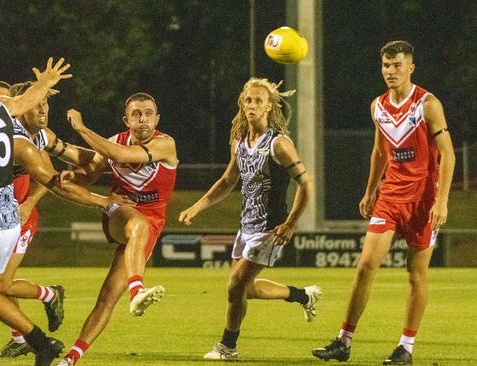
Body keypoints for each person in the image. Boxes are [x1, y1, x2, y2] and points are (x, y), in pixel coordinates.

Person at [0, 52, 129, 366]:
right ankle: (41, 344)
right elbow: (26, 102)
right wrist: (46, 81)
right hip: (10, 223)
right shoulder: (4, 109)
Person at [312, 41, 455, 365]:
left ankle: (406, 347)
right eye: (386, 66)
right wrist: (370, 190)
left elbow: (448, 154)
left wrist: (442, 201)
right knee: (365, 266)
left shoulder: (427, 104)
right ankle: (343, 341)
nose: (390, 71)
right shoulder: (377, 106)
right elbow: (380, 152)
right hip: (390, 197)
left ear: (411, 67)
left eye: (397, 65)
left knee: (415, 274)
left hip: (423, 200)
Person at [178, 77, 320, 361]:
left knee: (235, 286)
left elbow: (307, 184)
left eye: (258, 100)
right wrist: (197, 207)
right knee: (247, 289)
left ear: (269, 107)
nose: (252, 104)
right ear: (241, 105)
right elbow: (227, 180)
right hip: (247, 226)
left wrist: (290, 223)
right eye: (248, 100)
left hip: (271, 228)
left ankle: (227, 347)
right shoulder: (239, 142)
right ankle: (303, 295)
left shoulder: (279, 144)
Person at [54, 92, 178, 365]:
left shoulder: (166, 144)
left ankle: (70, 359)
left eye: (148, 113)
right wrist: (72, 177)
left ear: (157, 118)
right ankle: (138, 292)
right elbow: (91, 172)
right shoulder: (114, 142)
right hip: (119, 213)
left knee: (108, 296)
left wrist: (82, 129)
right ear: (126, 120)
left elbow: (120, 155)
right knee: (137, 223)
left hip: (150, 226)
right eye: (136, 114)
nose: (143, 118)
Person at [0, 82, 65, 358]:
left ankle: (51, 295)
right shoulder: (5, 133)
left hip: (20, 219)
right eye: (36, 102)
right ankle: (21, 337)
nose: (43, 108)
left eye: (45, 102)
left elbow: (50, 177)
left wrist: (28, 203)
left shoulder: (36, 138)